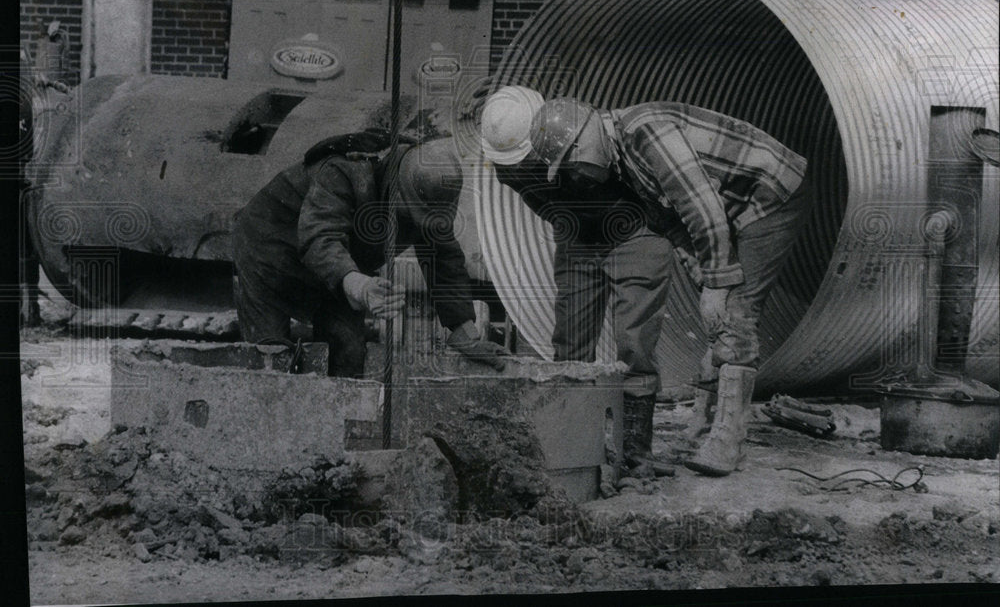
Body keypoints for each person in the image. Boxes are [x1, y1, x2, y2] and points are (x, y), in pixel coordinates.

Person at [528, 97, 811, 477]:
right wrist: (703, 276)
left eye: (571, 163)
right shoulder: (624, 161)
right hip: (732, 202)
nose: (575, 176)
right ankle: (702, 423)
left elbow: (702, 208)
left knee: (737, 312)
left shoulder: (645, 131)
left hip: (771, 194)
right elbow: (673, 223)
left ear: (584, 140)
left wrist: (716, 285)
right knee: (717, 306)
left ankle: (728, 439)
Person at [481, 86, 675, 475]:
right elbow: (545, 203)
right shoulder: (505, 164)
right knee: (570, 343)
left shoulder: (576, 133)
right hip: (577, 236)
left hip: (635, 232)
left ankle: (636, 454)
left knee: (633, 344)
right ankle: (568, 443)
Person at [233, 130, 509, 377]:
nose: (415, 225)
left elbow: (444, 260)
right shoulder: (345, 171)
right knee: (269, 359)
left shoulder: (425, 193)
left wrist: (464, 333)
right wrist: (361, 287)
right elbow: (320, 239)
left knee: (348, 351)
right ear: (398, 191)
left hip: (341, 264)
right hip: (270, 247)